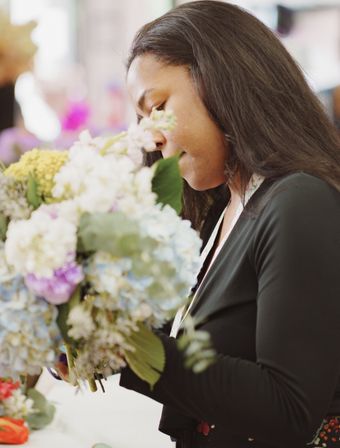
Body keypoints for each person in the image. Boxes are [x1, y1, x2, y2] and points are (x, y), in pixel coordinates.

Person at [119, 1, 340, 448]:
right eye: (142, 119)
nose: (150, 135)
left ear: (220, 76)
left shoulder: (299, 200)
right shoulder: (225, 209)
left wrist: (124, 350)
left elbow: (287, 406)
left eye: (158, 105)